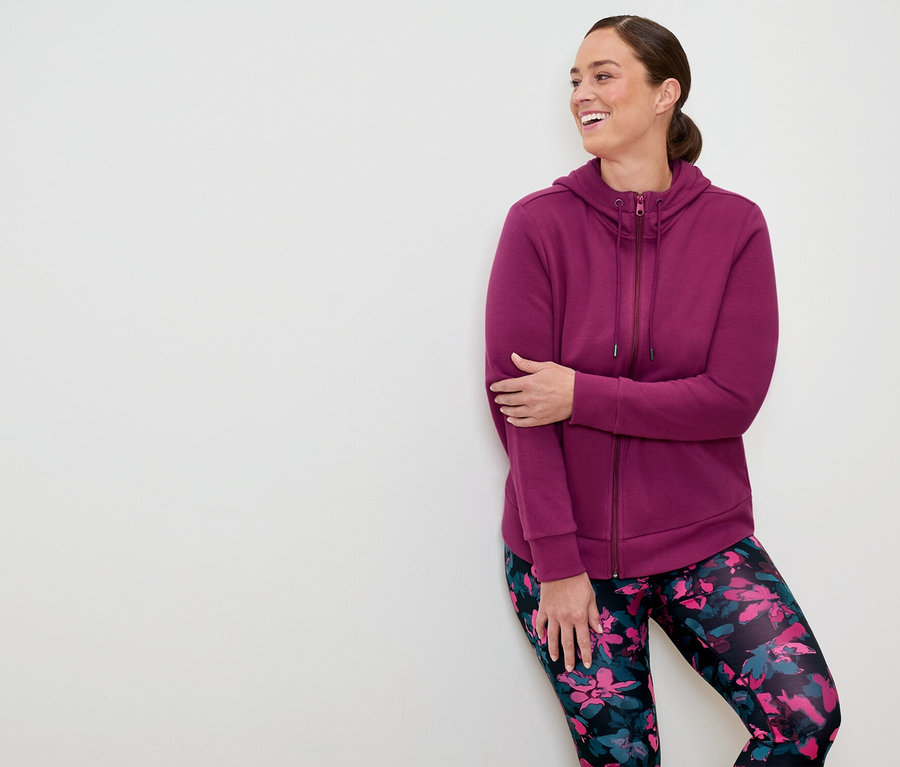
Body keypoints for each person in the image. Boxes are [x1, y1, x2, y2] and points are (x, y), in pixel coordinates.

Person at [484, 15, 841, 767]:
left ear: (664, 94)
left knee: (804, 716)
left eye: (603, 75)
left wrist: (580, 393)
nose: (581, 92)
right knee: (623, 760)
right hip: (567, 550)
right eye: (575, 79)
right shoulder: (537, 226)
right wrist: (557, 564)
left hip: (701, 540)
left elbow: (730, 400)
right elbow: (520, 409)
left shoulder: (735, 227)